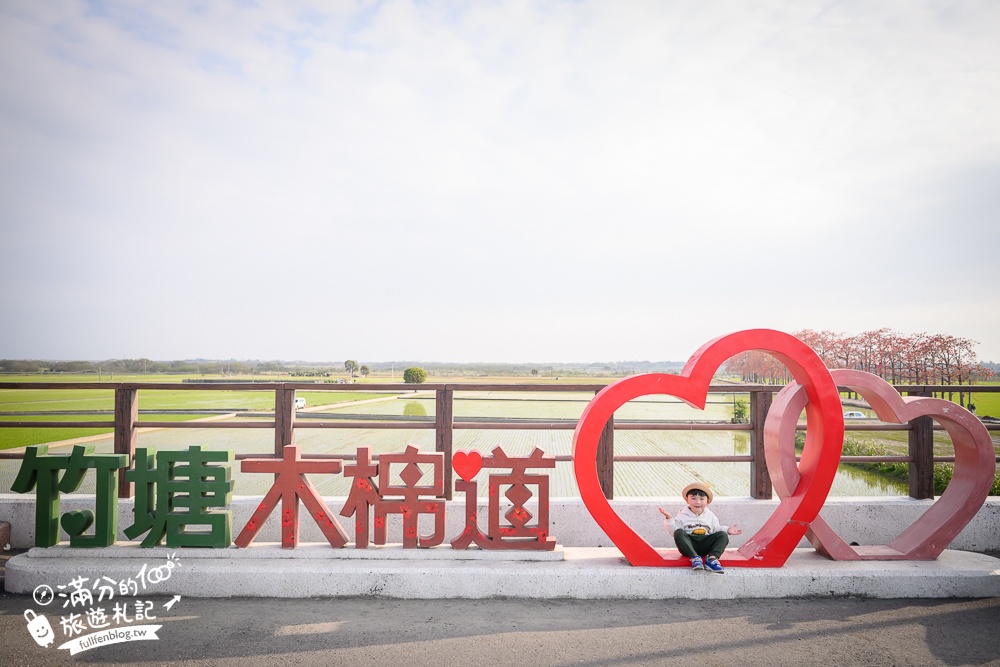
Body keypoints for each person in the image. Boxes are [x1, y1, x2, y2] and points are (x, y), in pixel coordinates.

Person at [659, 482, 742, 574]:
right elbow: (673, 532)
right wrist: (669, 519)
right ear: (687, 500)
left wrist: (727, 530)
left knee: (723, 535)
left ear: (708, 501)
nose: (697, 502)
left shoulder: (710, 515)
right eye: (693, 498)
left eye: (702, 499)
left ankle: (712, 559)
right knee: (679, 532)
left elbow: (716, 529)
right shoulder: (682, 515)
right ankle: (695, 558)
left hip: (705, 544)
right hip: (689, 546)